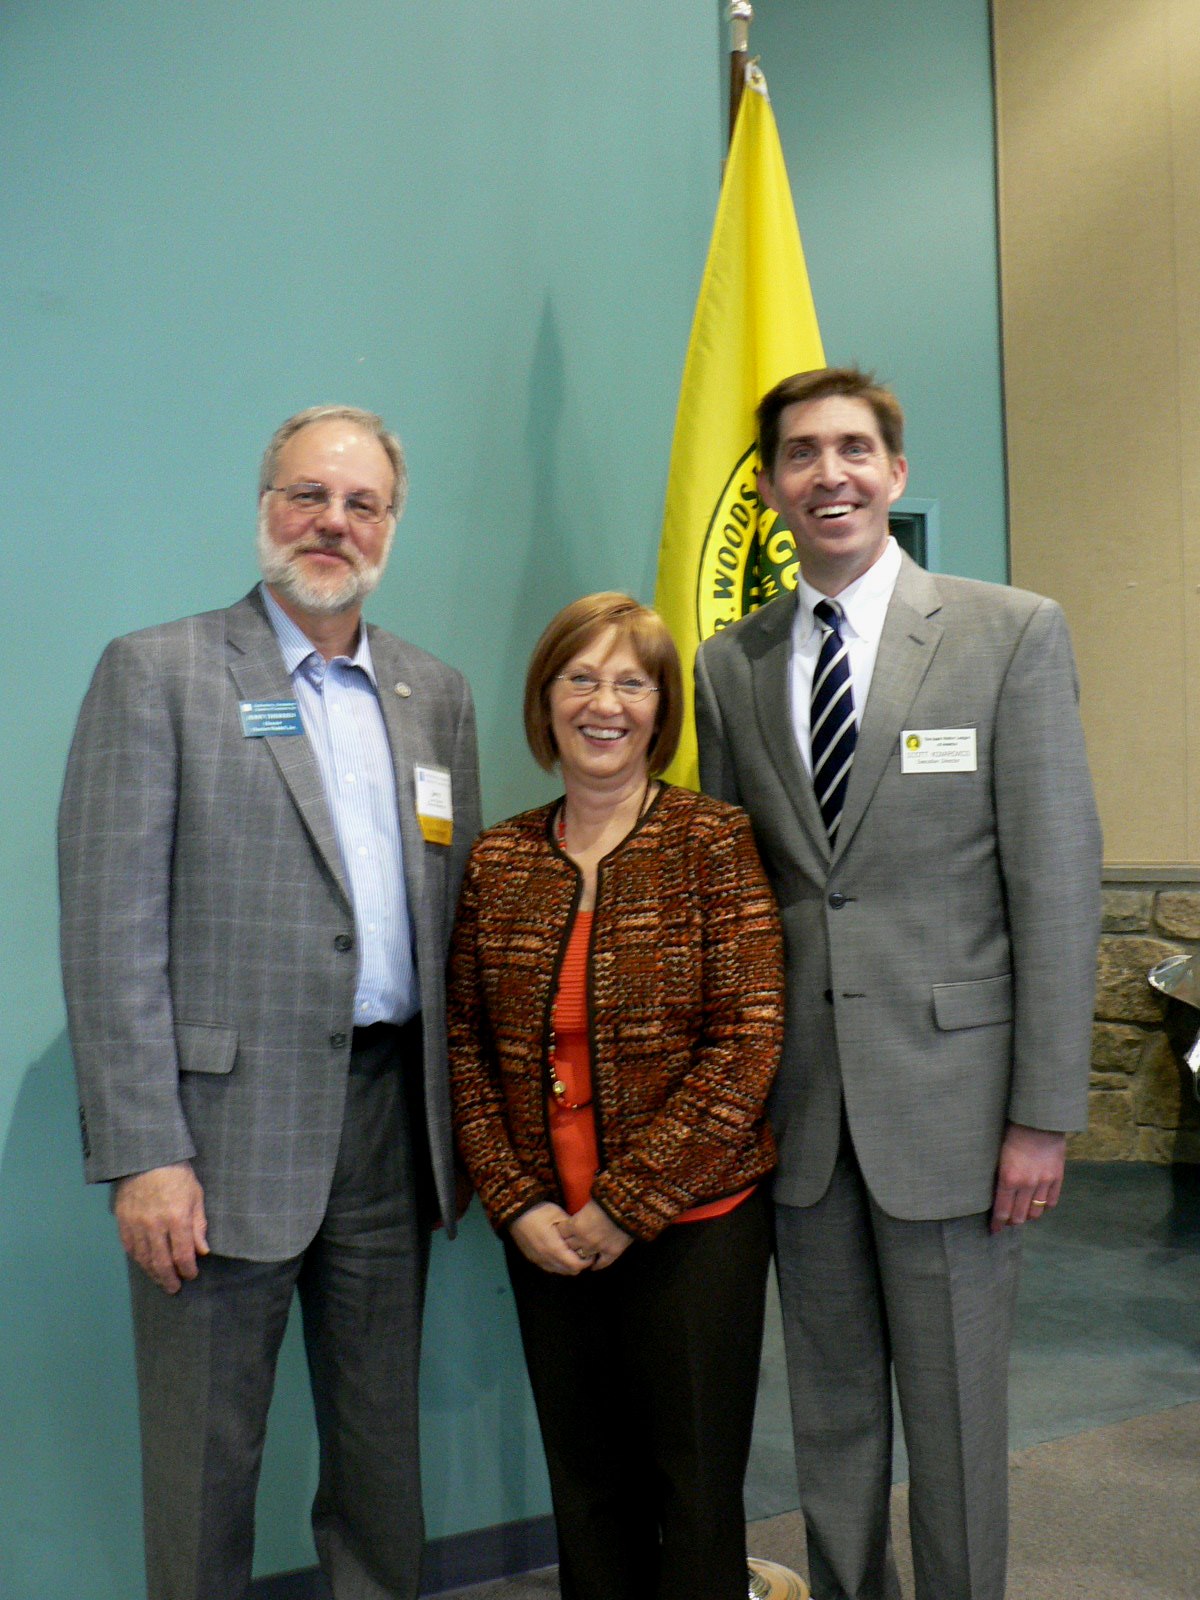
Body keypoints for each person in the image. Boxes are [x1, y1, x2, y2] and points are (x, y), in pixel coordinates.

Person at [58, 405, 481, 1600]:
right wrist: (144, 1152)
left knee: (380, 1462)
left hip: (393, 1129)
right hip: (216, 1140)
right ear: (264, 506)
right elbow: (108, 931)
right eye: (309, 494)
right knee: (205, 1465)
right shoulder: (160, 672)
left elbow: (447, 925)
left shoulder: (432, 693)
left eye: (361, 503)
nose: (333, 522)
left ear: (391, 524)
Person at [694, 368, 1103, 1600]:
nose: (833, 474)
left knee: (959, 1425)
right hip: (803, 1121)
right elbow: (732, 896)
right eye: (804, 454)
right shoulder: (732, 665)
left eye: (856, 449)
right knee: (830, 1426)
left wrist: (1043, 1115)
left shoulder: (1008, 632)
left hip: (961, 1118)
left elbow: (1058, 884)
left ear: (896, 472)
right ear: (768, 489)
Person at [447, 593, 784, 1600]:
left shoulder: (711, 839)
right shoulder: (502, 858)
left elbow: (749, 1039)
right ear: (544, 700)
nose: (606, 703)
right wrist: (518, 1203)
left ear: (662, 707)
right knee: (586, 1491)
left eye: (632, 681)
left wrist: (626, 1206)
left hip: (697, 1223)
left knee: (693, 1492)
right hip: (548, 1231)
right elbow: (464, 1046)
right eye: (581, 678)